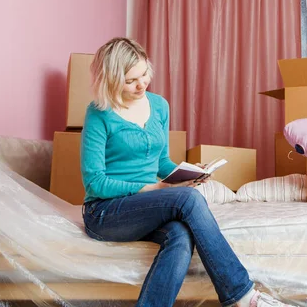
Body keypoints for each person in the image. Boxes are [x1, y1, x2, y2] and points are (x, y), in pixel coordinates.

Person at [81, 37, 294, 307]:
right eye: (130, 80)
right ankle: (243, 296)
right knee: (187, 200)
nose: (142, 84)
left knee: (180, 235)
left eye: (144, 73)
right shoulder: (99, 113)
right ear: (111, 80)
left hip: (143, 206)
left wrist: (190, 173)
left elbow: (161, 164)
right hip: (105, 212)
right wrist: (157, 189)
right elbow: (95, 182)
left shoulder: (158, 105)